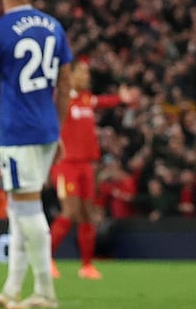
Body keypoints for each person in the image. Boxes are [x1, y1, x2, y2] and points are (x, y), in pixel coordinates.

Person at [0, 0, 72, 309]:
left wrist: (2, 118)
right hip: (47, 129)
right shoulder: (54, 27)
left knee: (28, 209)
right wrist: (56, 127)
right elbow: (65, 86)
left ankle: (45, 292)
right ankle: (11, 289)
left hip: (18, 131)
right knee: (18, 209)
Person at [48, 59, 138, 280]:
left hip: (87, 165)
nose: (86, 77)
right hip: (66, 164)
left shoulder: (87, 99)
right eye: (82, 73)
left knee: (88, 215)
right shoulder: (61, 100)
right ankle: (46, 260)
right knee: (69, 211)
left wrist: (121, 99)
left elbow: (104, 101)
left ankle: (86, 265)